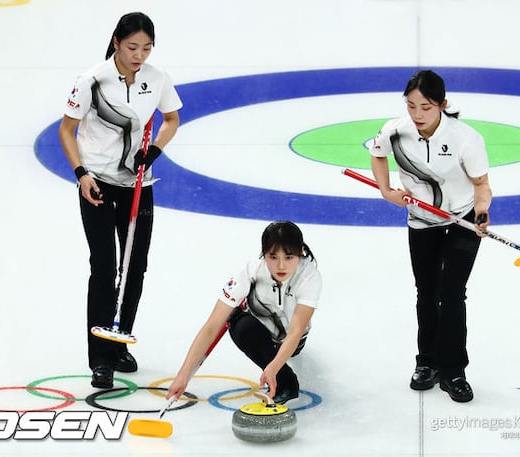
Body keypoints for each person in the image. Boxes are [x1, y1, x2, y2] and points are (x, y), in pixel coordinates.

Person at [58, 12, 182, 388]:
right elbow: (67, 130)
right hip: (96, 183)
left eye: (146, 48)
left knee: (135, 266)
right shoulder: (91, 81)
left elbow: (171, 118)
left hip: (137, 184)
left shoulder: (157, 79)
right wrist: (81, 174)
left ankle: (118, 341)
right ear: (116, 42)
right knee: (104, 266)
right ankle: (100, 359)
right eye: (132, 47)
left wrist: (154, 151)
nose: (139, 55)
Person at [369, 70, 492, 403]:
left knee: (451, 295)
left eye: (425, 107)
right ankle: (427, 363)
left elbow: (482, 185)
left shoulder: (466, 138)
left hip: (462, 220)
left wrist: (482, 211)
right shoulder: (395, 131)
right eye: (411, 106)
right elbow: (377, 153)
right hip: (422, 221)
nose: (417, 114)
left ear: (442, 104)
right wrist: (386, 191)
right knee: (426, 292)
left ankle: (454, 371)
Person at [166, 221, 322, 404]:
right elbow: (212, 326)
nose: (281, 266)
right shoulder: (249, 271)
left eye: (289, 257)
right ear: (263, 253)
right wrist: (183, 376)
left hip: (293, 342)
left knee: (284, 344)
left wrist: (273, 367)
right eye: (273, 257)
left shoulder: (309, 276)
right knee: (239, 325)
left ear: (300, 252)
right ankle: (286, 381)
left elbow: (296, 331)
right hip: (262, 336)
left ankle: (282, 379)